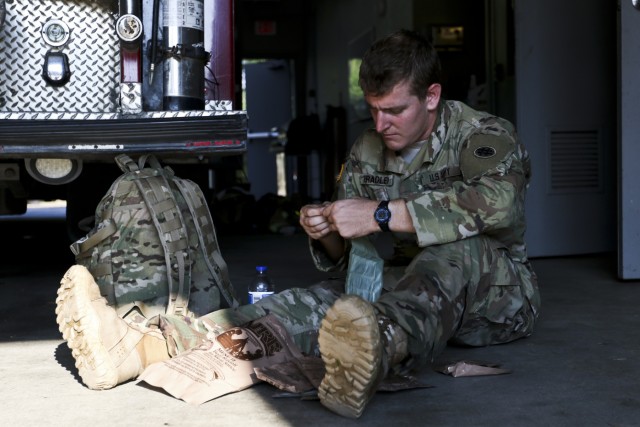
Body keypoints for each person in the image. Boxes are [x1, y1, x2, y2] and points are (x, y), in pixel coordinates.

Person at [56, 29, 540, 419]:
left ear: (432, 97)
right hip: (395, 284)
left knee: (451, 254)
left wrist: (378, 214)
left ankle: (374, 353)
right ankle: (141, 348)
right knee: (302, 305)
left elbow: (499, 207)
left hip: (492, 299)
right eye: (373, 110)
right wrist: (328, 231)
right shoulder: (368, 149)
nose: (382, 123)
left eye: (395, 110)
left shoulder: (482, 133)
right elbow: (350, 259)